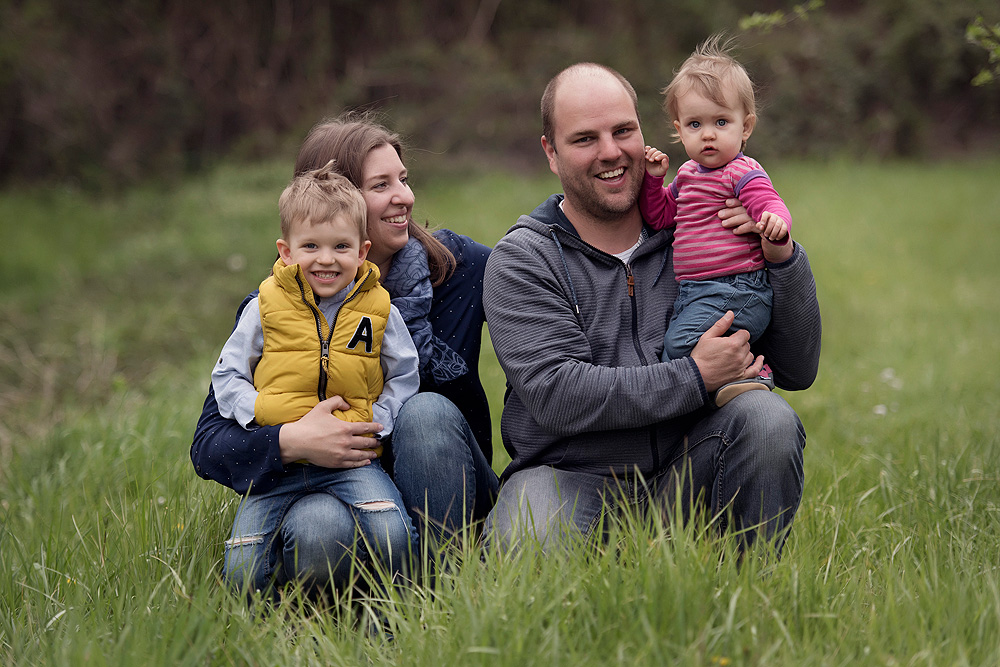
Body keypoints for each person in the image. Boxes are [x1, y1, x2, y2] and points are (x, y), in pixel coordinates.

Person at [482, 62, 821, 556]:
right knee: (527, 535)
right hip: (570, 479)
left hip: (690, 469)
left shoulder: (702, 228)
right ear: (550, 153)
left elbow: (797, 368)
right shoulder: (524, 258)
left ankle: (748, 599)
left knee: (767, 419)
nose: (611, 152)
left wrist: (780, 256)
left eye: (623, 131)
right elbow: (557, 393)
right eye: (584, 139)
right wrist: (693, 375)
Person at [191, 114, 499, 596]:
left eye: (404, 178)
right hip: (334, 480)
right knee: (318, 527)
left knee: (424, 411)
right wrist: (291, 441)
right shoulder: (278, 305)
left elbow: (546, 274)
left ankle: (438, 593)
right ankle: (345, 613)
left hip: (447, 493)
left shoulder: (463, 269)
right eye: (382, 184)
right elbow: (208, 443)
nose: (405, 196)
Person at [209, 162, 419, 594]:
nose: (326, 259)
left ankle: (397, 611)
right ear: (286, 251)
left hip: (351, 458)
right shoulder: (264, 307)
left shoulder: (379, 310)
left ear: (362, 252)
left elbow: (404, 373)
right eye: (311, 247)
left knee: (392, 533)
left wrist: (378, 421)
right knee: (243, 565)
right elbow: (228, 373)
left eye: (341, 246)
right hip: (279, 467)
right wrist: (261, 415)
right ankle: (262, 633)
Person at [640, 36, 792, 407]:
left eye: (721, 121)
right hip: (697, 293)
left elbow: (769, 202)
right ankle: (731, 383)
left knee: (679, 347)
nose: (708, 134)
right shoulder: (688, 175)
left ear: (746, 127)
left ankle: (755, 370)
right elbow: (661, 217)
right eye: (695, 124)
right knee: (679, 350)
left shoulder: (741, 171)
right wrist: (654, 180)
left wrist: (773, 221)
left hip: (739, 289)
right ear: (679, 130)